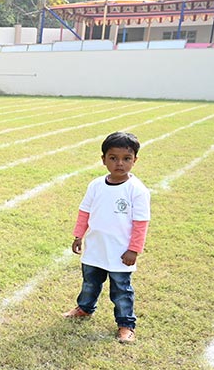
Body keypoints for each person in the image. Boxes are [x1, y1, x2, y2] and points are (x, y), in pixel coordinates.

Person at [63, 131, 151, 344]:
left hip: (121, 253)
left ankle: (126, 324)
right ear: (103, 159)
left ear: (135, 160)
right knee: (90, 283)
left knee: (121, 290)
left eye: (126, 158)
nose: (119, 163)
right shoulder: (96, 185)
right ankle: (84, 308)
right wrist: (78, 235)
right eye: (113, 158)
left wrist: (134, 249)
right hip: (95, 248)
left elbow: (141, 223)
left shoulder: (137, 190)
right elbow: (84, 212)